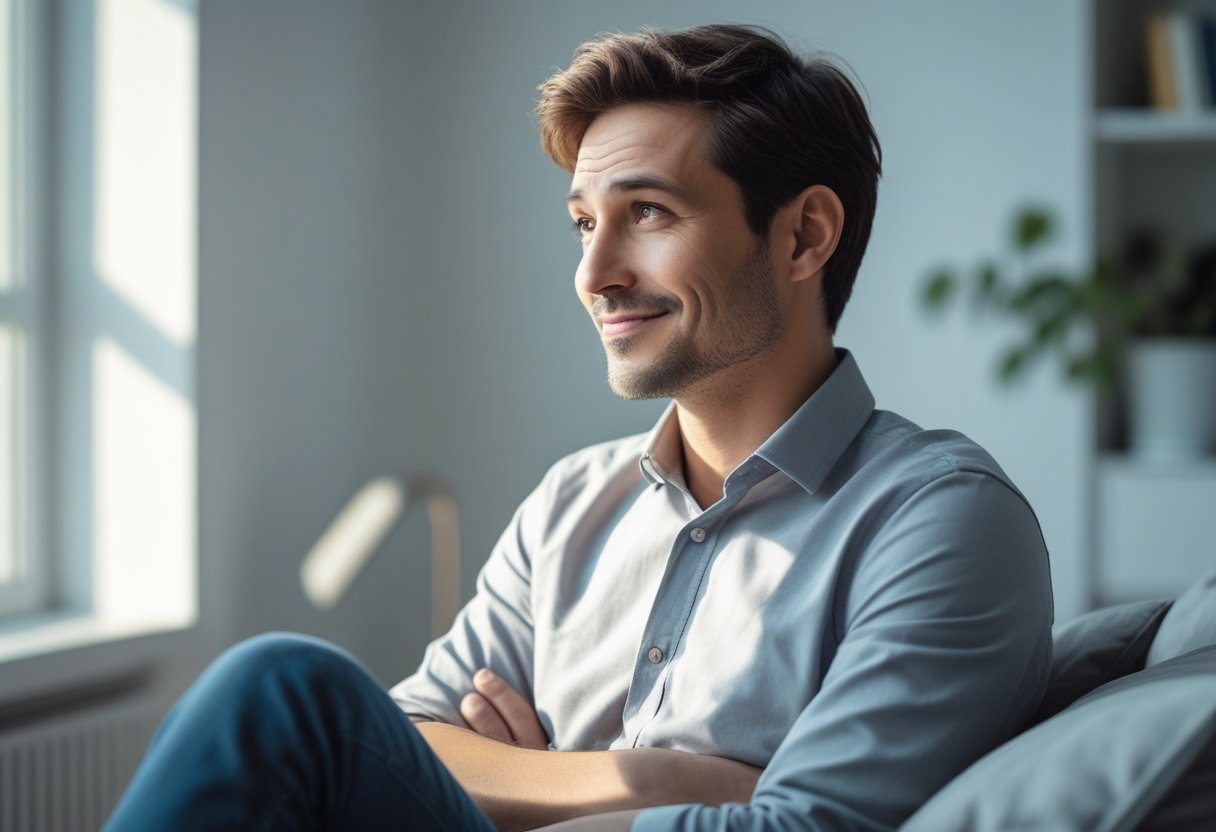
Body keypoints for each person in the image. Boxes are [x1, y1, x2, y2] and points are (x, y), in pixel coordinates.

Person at [105, 23, 1053, 832]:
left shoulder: (940, 522)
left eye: (648, 212)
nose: (594, 274)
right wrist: (658, 780)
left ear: (804, 235)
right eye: (583, 224)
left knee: (284, 694)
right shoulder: (572, 502)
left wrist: (522, 783)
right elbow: (408, 740)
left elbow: (799, 828)